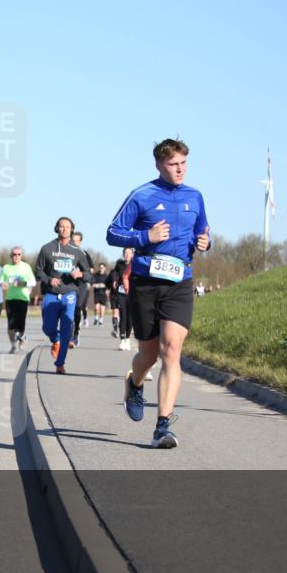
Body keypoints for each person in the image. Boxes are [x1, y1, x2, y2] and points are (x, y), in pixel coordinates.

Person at [106, 138, 211, 449]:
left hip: (180, 282)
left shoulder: (195, 196)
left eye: (183, 163)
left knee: (172, 350)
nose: (179, 169)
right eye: (173, 164)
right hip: (146, 283)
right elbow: (112, 232)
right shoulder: (142, 195)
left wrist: (205, 243)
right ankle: (134, 382)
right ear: (158, 165)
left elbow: (203, 231)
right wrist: (145, 236)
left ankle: (162, 426)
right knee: (149, 355)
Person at [34, 217, 91, 374]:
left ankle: (60, 363)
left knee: (67, 327)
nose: (64, 229)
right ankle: (56, 339)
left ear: (71, 229)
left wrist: (79, 274)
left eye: (67, 227)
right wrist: (48, 279)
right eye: (61, 226)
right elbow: (38, 270)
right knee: (47, 327)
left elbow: (88, 275)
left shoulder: (78, 252)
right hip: (51, 294)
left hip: (69, 293)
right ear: (57, 228)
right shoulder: (47, 248)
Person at [1, 247, 34, 353]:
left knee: (21, 323)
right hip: (10, 298)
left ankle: (22, 339)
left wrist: (21, 284)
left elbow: (33, 282)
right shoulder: (6, 267)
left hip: (23, 298)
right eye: (14, 254)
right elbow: (2, 281)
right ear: (11, 256)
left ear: (21, 256)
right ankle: (13, 345)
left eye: (19, 254)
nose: (17, 256)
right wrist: (3, 284)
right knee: (10, 323)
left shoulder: (26, 267)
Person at [70, 231, 94, 348]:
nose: (74, 243)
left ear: (80, 242)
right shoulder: (66, 252)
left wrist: (81, 274)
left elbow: (91, 271)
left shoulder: (84, 254)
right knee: (68, 308)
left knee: (77, 308)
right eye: (72, 240)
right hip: (69, 283)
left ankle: (76, 332)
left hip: (81, 284)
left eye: (76, 241)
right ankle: (69, 333)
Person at [114, 248, 134, 351]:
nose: (127, 255)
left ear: (132, 254)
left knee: (130, 318)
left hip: (132, 294)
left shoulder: (136, 264)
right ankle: (122, 340)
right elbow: (115, 274)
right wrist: (114, 280)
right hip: (121, 293)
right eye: (125, 253)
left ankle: (127, 339)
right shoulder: (119, 264)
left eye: (129, 253)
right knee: (123, 316)